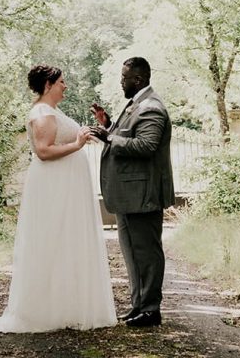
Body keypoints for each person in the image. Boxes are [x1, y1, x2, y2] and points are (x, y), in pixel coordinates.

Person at [0, 64, 117, 333]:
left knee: (66, 241)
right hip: (55, 186)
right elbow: (44, 152)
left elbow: (60, 141)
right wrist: (78, 144)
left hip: (66, 185)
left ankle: (68, 304)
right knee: (53, 240)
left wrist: (89, 133)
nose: (65, 86)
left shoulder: (52, 111)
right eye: (61, 82)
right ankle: (48, 309)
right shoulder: (42, 113)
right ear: (48, 85)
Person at [91, 56, 174, 328]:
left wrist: (108, 138)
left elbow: (146, 145)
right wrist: (108, 124)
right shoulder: (137, 104)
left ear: (137, 80)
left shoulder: (151, 107)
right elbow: (128, 133)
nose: (121, 82)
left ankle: (151, 310)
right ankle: (139, 306)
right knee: (133, 255)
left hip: (143, 195)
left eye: (124, 78)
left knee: (146, 254)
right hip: (130, 196)